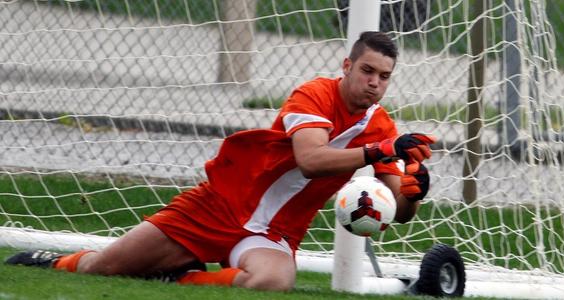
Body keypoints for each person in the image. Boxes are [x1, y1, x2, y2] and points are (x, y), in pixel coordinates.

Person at [5, 31, 435, 292]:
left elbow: (398, 212)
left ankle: (179, 279)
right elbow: (311, 160)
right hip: (219, 204)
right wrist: (384, 151)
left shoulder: (383, 129)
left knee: (273, 282)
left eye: (384, 76)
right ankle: (53, 260)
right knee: (105, 268)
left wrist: (414, 191)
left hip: (274, 232)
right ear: (347, 66)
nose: (375, 83)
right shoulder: (314, 94)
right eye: (367, 71)